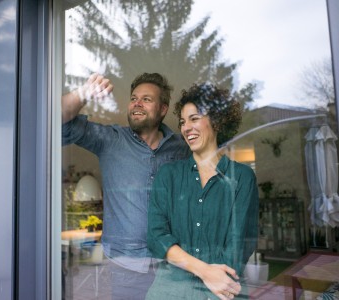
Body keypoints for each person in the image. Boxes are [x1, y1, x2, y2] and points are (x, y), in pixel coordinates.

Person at [62, 73, 190, 299]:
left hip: (174, 262)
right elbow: (57, 119)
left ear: (162, 109)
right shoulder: (110, 139)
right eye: (133, 98)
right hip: (127, 266)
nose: (137, 103)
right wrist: (84, 92)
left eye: (146, 99)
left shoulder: (181, 147)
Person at [146, 83, 259, 300]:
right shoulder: (168, 175)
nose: (186, 127)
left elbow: (238, 247)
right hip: (169, 293)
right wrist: (205, 271)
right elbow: (156, 237)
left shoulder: (242, 177)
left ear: (216, 121)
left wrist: (212, 278)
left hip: (222, 292)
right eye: (182, 122)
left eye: (194, 118)